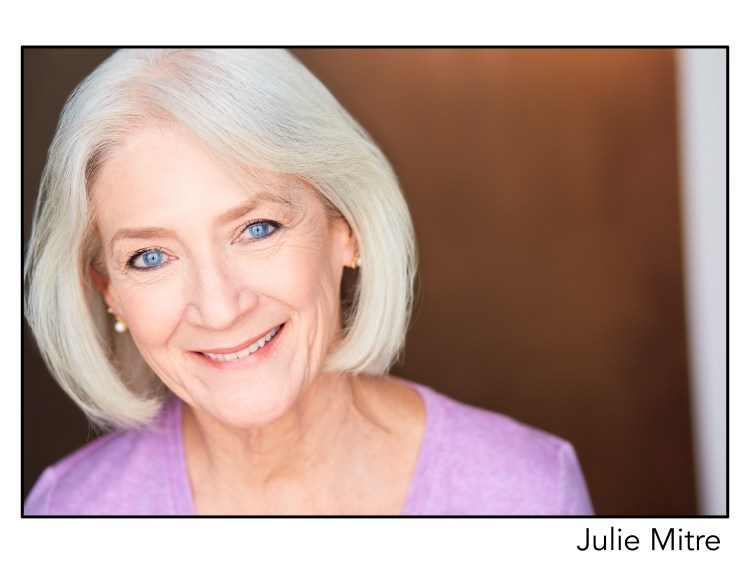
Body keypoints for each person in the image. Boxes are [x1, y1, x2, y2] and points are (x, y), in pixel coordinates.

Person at [24, 48, 593, 515]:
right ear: (110, 292)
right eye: (150, 257)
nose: (219, 308)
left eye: (257, 228)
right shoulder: (66, 515)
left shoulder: (530, 495)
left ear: (346, 229)